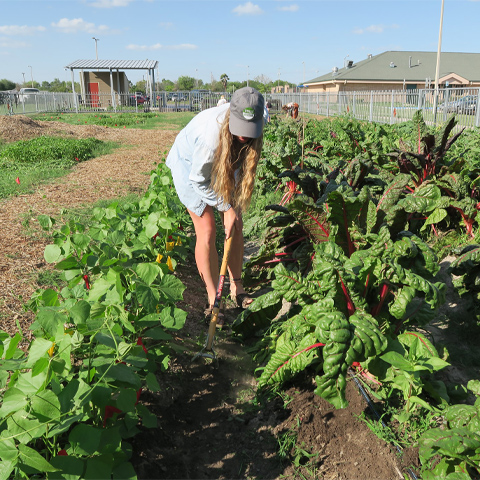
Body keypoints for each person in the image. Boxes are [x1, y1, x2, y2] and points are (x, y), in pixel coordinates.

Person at [166, 87, 265, 320]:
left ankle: (236, 287)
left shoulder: (259, 119)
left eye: (250, 130)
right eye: (241, 127)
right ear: (232, 114)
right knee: (207, 229)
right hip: (190, 166)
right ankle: (213, 298)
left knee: (236, 223)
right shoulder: (210, 138)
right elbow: (199, 180)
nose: (246, 135)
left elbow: (240, 160)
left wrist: (231, 211)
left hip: (224, 160)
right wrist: (225, 207)